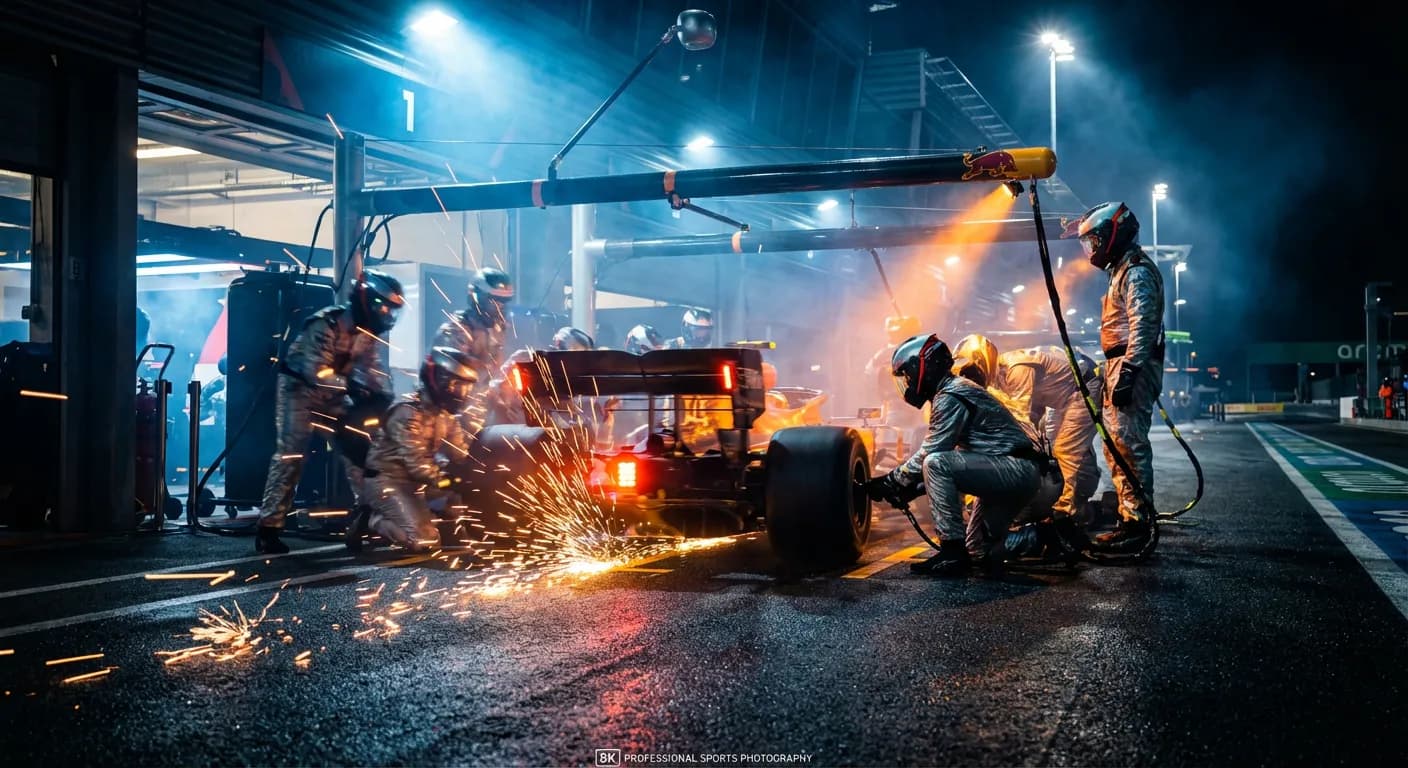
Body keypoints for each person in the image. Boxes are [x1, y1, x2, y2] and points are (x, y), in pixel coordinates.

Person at [866, 334, 1044, 577]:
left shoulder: (951, 394)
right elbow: (962, 464)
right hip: (1010, 470)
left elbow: (933, 452)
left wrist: (891, 481)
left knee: (936, 463)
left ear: (925, 367)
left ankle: (952, 553)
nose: (906, 382)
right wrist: (911, 488)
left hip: (1014, 469)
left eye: (908, 373)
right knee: (978, 549)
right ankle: (1043, 536)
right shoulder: (953, 391)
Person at [256, 270, 404, 554]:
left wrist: (381, 393)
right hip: (299, 390)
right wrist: (352, 386)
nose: (386, 314)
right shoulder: (325, 324)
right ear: (366, 299)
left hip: (334, 393)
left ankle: (366, 515)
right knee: (291, 455)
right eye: (383, 306)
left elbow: (370, 369)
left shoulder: (366, 333)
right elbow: (316, 371)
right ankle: (269, 528)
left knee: (359, 448)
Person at [1063, 201, 1164, 550]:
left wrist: (1130, 371)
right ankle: (1130, 516)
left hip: (1131, 364)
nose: (1090, 249)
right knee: (1116, 444)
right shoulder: (1120, 270)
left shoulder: (1136, 271)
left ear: (1112, 235)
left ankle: (1137, 524)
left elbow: (1143, 325)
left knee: (1129, 445)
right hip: (1120, 365)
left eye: (1093, 241)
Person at [951, 336, 1102, 536]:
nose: (970, 380)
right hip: (1063, 399)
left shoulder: (1016, 368)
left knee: (1067, 449)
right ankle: (1079, 505)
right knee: (1055, 448)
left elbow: (1021, 418)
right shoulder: (998, 378)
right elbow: (1029, 412)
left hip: (1084, 388)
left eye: (970, 373)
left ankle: (1065, 514)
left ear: (982, 361)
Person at [356, 347, 478, 552]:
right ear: (438, 379)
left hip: (418, 484)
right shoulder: (407, 412)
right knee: (423, 541)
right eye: (457, 385)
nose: (462, 394)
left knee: (461, 501)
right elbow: (417, 465)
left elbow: (461, 456)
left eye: (466, 387)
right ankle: (372, 519)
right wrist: (450, 481)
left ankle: (422, 515)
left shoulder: (447, 417)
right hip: (387, 481)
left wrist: (479, 472)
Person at [431, 266, 514, 385]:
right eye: (495, 301)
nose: (500, 307)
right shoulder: (457, 329)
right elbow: (456, 370)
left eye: (504, 301)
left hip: (484, 397)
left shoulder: (499, 328)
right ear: (478, 299)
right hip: (455, 397)